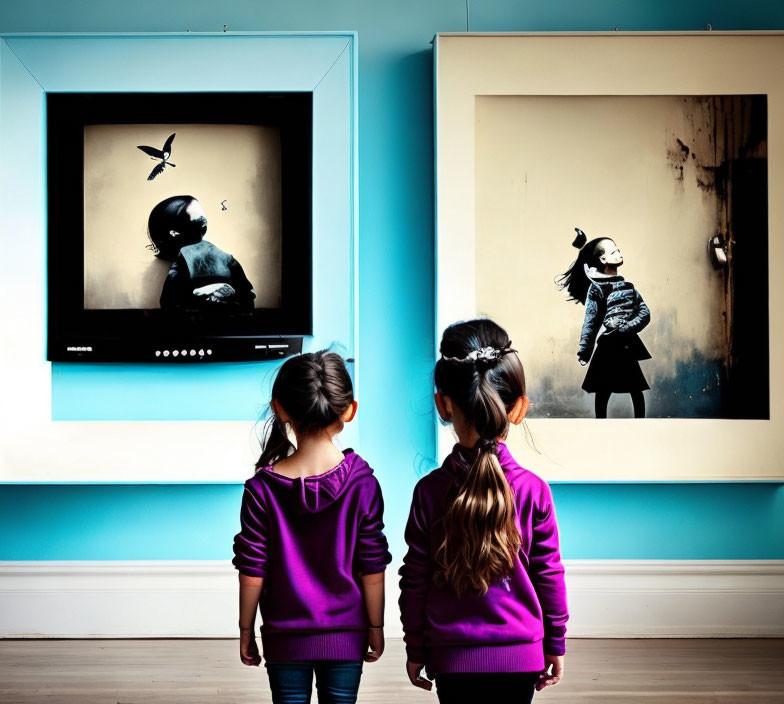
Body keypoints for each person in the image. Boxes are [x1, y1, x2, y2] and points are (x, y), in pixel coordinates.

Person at [398, 319, 568, 704]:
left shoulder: (429, 492)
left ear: (443, 404)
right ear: (519, 407)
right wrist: (554, 642)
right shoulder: (533, 491)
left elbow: (415, 580)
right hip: (522, 656)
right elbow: (549, 576)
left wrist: (416, 648)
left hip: (450, 658)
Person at [232, 350, 391, 704]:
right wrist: (376, 627)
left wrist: (245, 630)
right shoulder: (363, 483)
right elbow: (373, 568)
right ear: (349, 410)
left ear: (280, 408)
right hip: (347, 635)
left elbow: (252, 571)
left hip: (284, 638)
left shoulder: (261, 490)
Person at [556, 229, 651, 418]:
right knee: (603, 389)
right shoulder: (597, 288)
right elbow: (591, 322)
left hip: (626, 344)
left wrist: (629, 326)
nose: (619, 253)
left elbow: (645, 312)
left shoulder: (628, 287)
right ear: (602, 260)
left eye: (618, 249)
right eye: (613, 251)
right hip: (608, 345)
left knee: (635, 387)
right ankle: (600, 425)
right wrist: (585, 350)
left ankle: (642, 424)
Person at [146, 194, 256, 311]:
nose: (205, 225)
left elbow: (248, 295)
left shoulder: (225, 258)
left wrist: (231, 292)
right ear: (174, 233)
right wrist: (203, 293)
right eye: (197, 222)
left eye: (204, 220)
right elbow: (170, 304)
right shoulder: (181, 262)